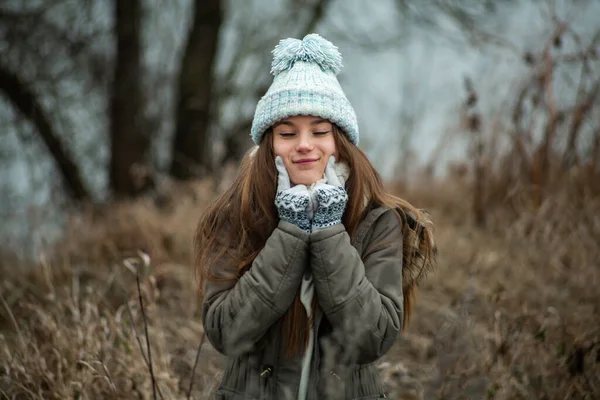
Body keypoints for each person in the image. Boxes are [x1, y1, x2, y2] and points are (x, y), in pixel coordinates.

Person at [195, 33, 436, 400]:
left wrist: (327, 229)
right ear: (269, 145)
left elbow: (374, 335)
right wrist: (290, 230)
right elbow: (227, 332)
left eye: (320, 131)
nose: (304, 144)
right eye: (287, 132)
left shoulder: (379, 222)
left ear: (340, 141)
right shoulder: (238, 215)